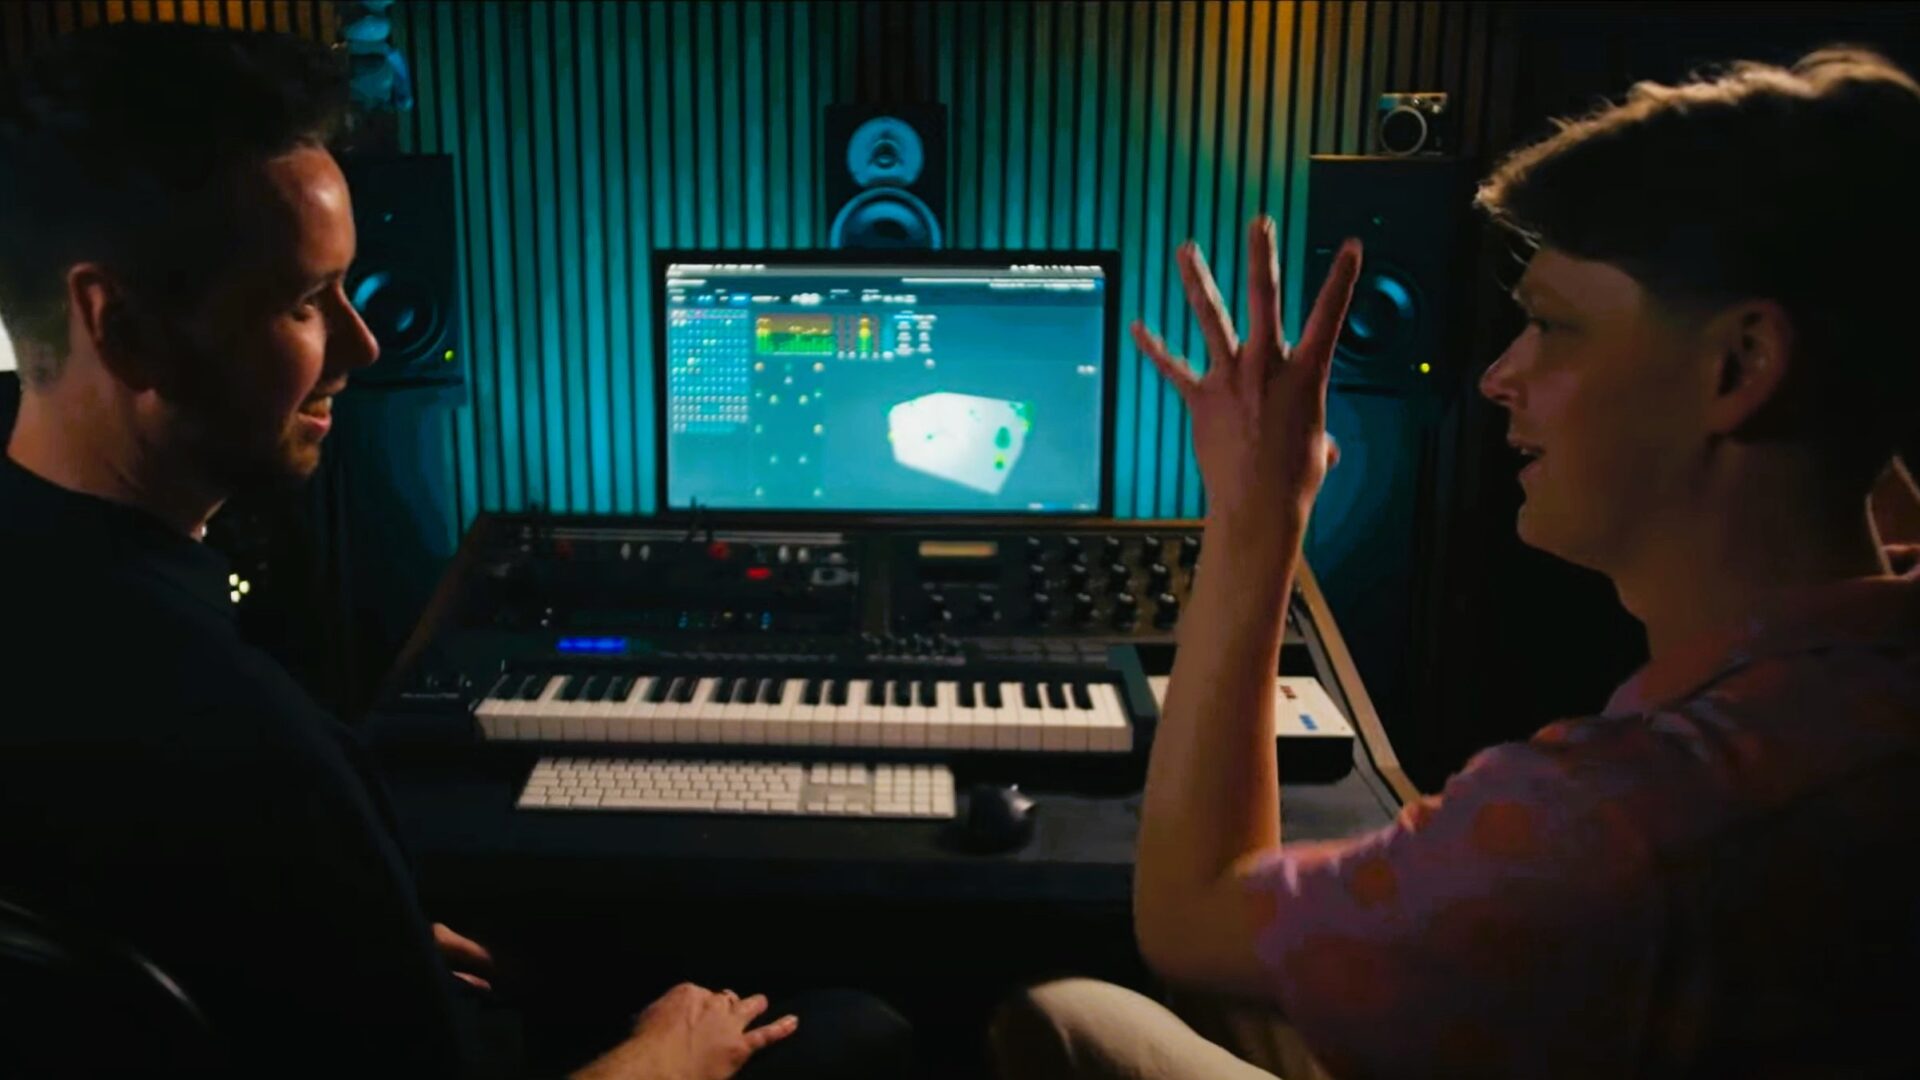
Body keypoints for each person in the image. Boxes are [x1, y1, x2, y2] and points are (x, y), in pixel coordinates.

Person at [0, 23, 908, 1080]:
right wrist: (671, 1056)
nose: (364, 342)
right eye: (304, 302)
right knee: (862, 1027)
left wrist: (338, 941)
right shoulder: (254, 751)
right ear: (120, 327)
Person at [993, 46, 1920, 1079]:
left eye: (1553, 325)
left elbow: (1189, 920)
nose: (1496, 375)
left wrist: (1256, 511)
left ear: (1740, 364)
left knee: (1062, 1017)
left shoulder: (1604, 833)